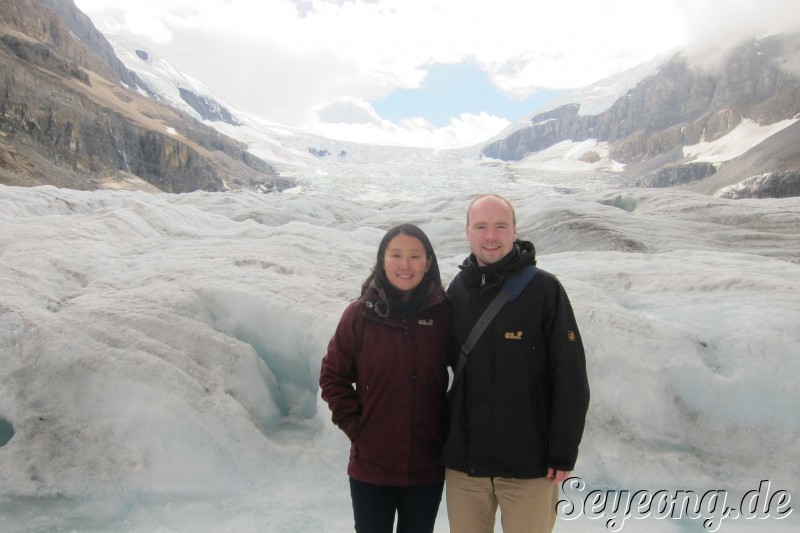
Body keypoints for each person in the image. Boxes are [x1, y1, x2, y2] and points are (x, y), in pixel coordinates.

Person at [442, 194, 590, 533]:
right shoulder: (459, 290)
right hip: (467, 468)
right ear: (467, 232)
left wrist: (563, 452)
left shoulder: (544, 290)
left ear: (514, 231)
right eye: (481, 226)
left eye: (500, 226)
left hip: (530, 467)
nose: (490, 236)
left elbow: (570, 377)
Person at [320, 223, 452, 533]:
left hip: (426, 466)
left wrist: (447, 427)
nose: (405, 265)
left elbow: (470, 373)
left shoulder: (444, 315)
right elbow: (333, 376)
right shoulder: (360, 315)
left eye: (415, 256)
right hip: (371, 468)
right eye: (396, 255)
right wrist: (357, 428)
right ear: (382, 260)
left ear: (428, 262)